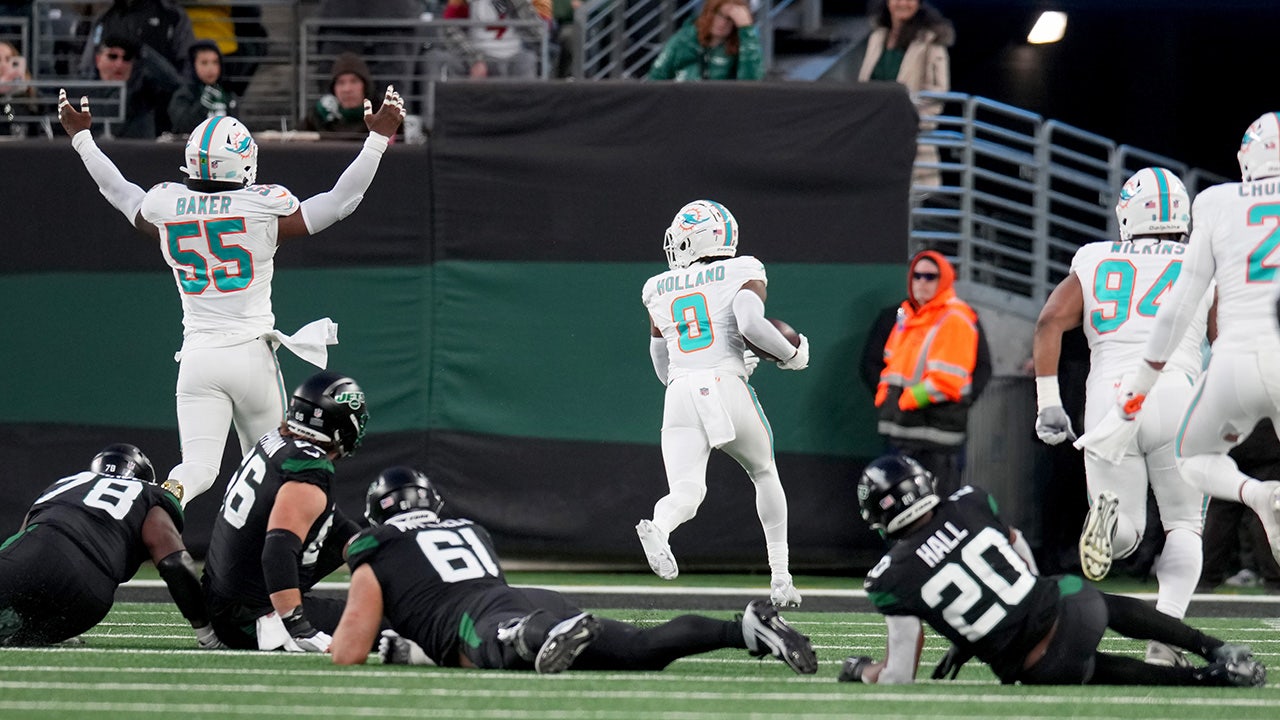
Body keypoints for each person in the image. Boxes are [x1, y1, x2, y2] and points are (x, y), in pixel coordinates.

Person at [57, 82, 404, 507]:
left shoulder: (166, 207)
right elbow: (340, 201)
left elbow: (119, 191)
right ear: (241, 162)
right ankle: (257, 544)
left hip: (198, 358)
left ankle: (167, 497)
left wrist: (82, 138)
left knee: (198, 469)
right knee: (268, 474)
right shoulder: (262, 209)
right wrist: (377, 139)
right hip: (250, 355)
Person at [329, 467, 818, 675]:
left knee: (499, 643)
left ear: (377, 515)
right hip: (526, 599)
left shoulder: (376, 546)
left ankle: (538, 634)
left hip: (489, 621)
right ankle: (744, 630)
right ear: (430, 504)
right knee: (640, 649)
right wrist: (411, 648)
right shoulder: (468, 529)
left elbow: (349, 652)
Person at [841, 454, 1267, 687]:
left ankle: (1206, 679)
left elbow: (898, 675)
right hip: (1075, 608)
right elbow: (1014, 543)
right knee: (1095, 600)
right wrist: (1030, 588)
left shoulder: (889, 578)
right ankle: (1214, 647)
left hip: (1040, 663)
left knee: (1086, 669)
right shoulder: (970, 501)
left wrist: (861, 670)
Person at [1033, 167, 1211, 665]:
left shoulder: (1095, 258)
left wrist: (1049, 401)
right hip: (1176, 394)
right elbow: (1223, 338)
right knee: (1183, 526)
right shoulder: (1203, 258)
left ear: (1127, 214)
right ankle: (1164, 641)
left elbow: (1049, 321)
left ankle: (1109, 525)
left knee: (1127, 533)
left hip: (1110, 400)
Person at [1116, 112, 1280, 568]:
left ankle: (1259, 495)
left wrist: (1140, 384)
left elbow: (1181, 304)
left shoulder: (1216, 202)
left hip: (1236, 359)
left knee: (1192, 458)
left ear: (1247, 159)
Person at [635, 199, 809, 607]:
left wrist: (712, 365)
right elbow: (750, 324)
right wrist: (791, 354)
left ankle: (660, 526)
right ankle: (781, 578)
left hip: (679, 392)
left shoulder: (657, 287)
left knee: (686, 491)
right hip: (725, 385)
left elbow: (662, 364)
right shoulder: (742, 269)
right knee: (763, 471)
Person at [200, 371, 370, 651]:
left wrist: (376, 556)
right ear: (340, 424)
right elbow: (278, 550)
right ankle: (282, 615)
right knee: (388, 621)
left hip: (224, 601)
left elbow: (331, 524)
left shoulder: (277, 441)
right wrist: (298, 625)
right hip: (253, 616)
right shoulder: (310, 466)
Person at [0, 444, 223, 649]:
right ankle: (33, 631)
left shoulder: (65, 484)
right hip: (87, 593)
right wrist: (207, 631)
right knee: (27, 636)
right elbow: (174, 562)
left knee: (15, 590)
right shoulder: (151, 494)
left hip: (26, 558)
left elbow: (21, 536)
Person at [873, 249, 978, 496]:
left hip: (934, 440)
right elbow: (892, 364)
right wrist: (885, 395)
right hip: (903, 433)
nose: (922, 282)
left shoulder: (954, 318)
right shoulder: (907, 316)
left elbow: (948, 381)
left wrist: (907, 400)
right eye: (917, 276)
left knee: (934, 508)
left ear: (944, 280)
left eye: (930, 277)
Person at [857, 0, 953, 188]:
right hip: (874, 136)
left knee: (907, 199)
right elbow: (864, 85)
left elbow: (937, 92)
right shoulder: (878, 37)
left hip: (908, 138)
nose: (903, 3)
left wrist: (909, 121)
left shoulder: (930, 40)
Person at [1199, 419, 1280, 594]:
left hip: (1228, 440)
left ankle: (1204, 579)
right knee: (1265, 512)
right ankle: (1275, 581)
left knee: (1219, 516)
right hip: (1266, 443)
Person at [85, 34, 182, 139]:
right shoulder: (83, 90)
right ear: (98, 59)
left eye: (127, 58)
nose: (119, 64)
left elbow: (174, 83)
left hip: (137, 148)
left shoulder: (144, 90)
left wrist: (143, 50)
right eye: (113, 57)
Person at [424, 0, 543, 80]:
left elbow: (539, 34)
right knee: (437, 58)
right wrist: (474, 59)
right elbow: (449, 27)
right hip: (477, 55)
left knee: (527, 59)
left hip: (513, 57)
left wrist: (519, 5)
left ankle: (525, 110)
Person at [647, 0, 762, 81]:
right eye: (718, 14)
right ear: (708, 13)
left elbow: (751, 85)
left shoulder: (742, 46)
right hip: (683, 102)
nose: (722, 22)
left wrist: (746, 29)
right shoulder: (684, 40)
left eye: (729, 19)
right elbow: (656, 77)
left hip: (721, 104)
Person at [167, 39, 238, 135]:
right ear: (193, 65)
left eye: (215, 62)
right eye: (204, 63)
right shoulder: (184, 94)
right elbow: (181, 127)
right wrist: (202, 106)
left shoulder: (228, 94)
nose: (210, 68)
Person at [301, 51, 377, 139]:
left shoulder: (382, 115)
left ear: (365, 86)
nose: (347, 89)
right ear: (333, 89)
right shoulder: (318, 118)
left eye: (354, 81)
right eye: (341, 82)